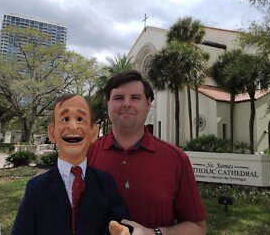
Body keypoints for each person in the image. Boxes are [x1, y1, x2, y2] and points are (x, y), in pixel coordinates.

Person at [88, 70, 208, 235]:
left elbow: (198, 228)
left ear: (149, 103)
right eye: (118, 98)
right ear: (108, 103)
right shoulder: (85, 155)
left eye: (135, 98)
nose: (126, 104)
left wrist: (155, 233)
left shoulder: (176, 159)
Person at [11, 94, 130, 235]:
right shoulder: (36, 188)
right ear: (52, 133)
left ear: (93, 133)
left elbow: (123, 224)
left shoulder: (106, 183)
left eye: (80, 119)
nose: (73, 126)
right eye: (65, 119)